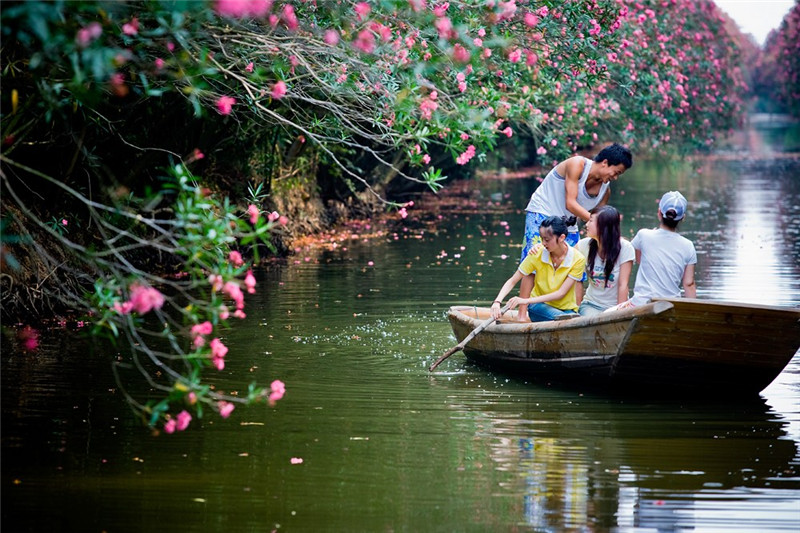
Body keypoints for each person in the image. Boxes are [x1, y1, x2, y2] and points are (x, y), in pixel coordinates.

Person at [517, 143, 633, 320]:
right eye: (616, 172)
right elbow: (570, 203)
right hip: (543, 213)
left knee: (577, 268)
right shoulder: (577, 164)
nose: (615, 177)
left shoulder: (604, 191)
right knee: (533, 263)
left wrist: (607, 231)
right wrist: (599, 224)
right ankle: (522, 313)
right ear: (605, 163)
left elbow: (597, 217)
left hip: (567, 223)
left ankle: (575, 314)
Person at [605, 191, 697, 312]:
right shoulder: (688, 246)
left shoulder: (644, 235)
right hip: (671, 307)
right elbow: (689, 283)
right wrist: (693, 312)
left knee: (607, 313)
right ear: (683, 218)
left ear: (659, 212)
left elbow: (638, 259)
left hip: (641, 304)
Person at [491, 216, 586, 322]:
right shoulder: (536, 253)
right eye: (542, 239)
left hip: (566, 311)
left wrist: (524, 300)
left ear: (561, 238)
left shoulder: (578, 259)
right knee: (569, 320)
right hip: (539, 307)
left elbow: (561, 293)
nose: (543, 243)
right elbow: (513, 280)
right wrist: (497, 302)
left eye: (547, 240)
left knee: (569, 318)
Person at [575, 205, 635, 316]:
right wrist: (539, 248)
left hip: (615, 307)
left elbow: (623, 285)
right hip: (591, 305)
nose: (586, 225)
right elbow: (563, 256)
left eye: (591, 221)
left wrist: (619, 314)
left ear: (603, 226)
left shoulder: (625, 248)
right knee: (592, 321)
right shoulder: (584, 245)